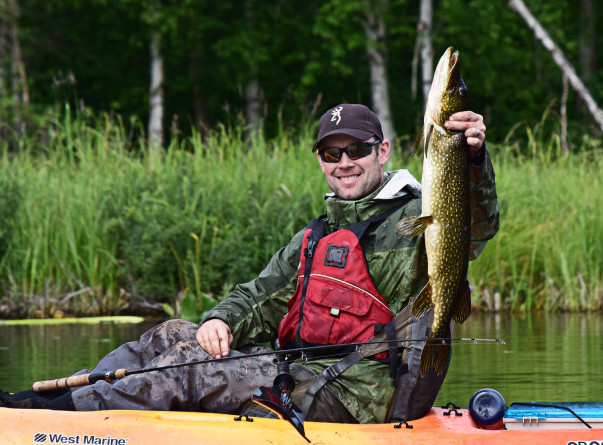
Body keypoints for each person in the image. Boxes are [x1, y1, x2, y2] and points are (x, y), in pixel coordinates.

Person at [0, 104, 499, 424]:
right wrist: (219, 319)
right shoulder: (317, 235)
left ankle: (52, 422)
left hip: (368, 391)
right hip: (306, 371)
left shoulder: (422, 212)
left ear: (382, 151)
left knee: (190, 371)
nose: (344, 162)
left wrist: (471, 158)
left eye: (357, 150)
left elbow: (478, 222)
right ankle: (70, 411)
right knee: (171, 335)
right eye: (331, 153)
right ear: (320, 159)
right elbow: (258, 295)